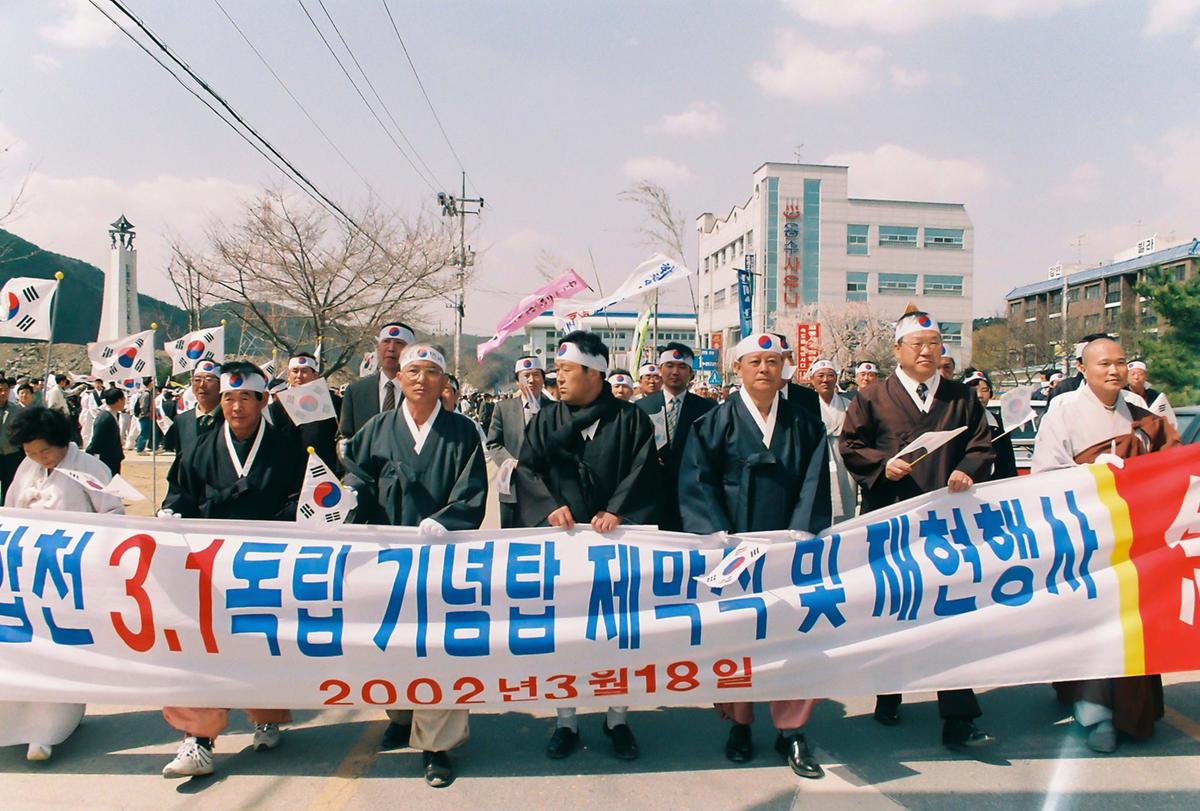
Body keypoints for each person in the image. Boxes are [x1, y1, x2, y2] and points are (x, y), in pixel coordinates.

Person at [839, 310, 997, 750]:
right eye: (918, 344)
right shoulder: (872, 396)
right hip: (893, 521)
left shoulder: (960, 397)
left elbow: (981, 444)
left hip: (948, 523)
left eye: (935, 343)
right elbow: (850, 444)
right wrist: (880, 466)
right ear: (898, 351)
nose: (928, 351)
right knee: (897, 609)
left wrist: (968, 470)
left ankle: (959, 716)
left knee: (951, 613)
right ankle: (890, 689)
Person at [678, 333, 831, 779]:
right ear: (738, 368)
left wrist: (802, 530)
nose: (764, 369)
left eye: (772, 361)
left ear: (784, 367)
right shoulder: (713, 421)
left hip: (788, 547)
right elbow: (697, 479)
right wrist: (717, 534)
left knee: (794, 633)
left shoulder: (805, 423)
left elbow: (813, 479)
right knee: (738, 635)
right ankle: (740, 724)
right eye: (754, 361)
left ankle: (793, 730)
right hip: (734, 548)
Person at [343, 344, 487, 788]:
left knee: (437, 648)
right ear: (399, 378)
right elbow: (356, 477)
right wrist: (346, 502)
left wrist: (443, 522)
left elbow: (472, 492)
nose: (420, 379)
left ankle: (437, 744)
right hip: (386, 558)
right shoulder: (377, 428)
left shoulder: (462, 432)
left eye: (430, 372)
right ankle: (401, 715)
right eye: (412, 371)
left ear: (445, 383)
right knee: (391, 642)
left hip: (441, 559)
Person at [1032, 336, 1179, 753]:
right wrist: (1090, 472)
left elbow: (1171, 462)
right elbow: (1045, 473)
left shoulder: (1141, 412)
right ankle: (1092, 710)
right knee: (1092, 624)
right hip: (1085, 536)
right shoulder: (1063, 411)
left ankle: (1135, 712)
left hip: (1135, 536)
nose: (1113, 371)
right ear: (1083, 367)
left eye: (1119, 363)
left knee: (1133, 621)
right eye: (1103, 364)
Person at [516, 331, 658, 762]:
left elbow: (644, 472)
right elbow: (528, 469)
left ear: (594, 373)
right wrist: (549, 506)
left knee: (620, 635)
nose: (557, 379)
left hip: (615, 547)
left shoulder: (632, 420)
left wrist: (619, 510)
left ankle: (617, 719)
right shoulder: (546, 420)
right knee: (565, 636)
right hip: (564, 549)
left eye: (565, 370)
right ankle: (566, 720)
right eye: (556, 370)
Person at [157, 361, 303, 777]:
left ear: (262, 400)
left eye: (244, 398)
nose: (235, 407)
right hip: (210, 563)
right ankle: (197, 739)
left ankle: (265, 715)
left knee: (260, 641)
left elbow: (303, 498)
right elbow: (180, 492)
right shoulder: (200, 448)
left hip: (266, 563)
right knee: (203, 645)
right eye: (227, 398)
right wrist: (171, 512)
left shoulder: (287, 447)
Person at [0, 406, 122, 761]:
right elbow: (10, 511)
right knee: (23, 651)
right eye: (31, 452)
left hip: (69, 576)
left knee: (60, 653)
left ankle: (48, 730)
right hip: (25, 575)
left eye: (45, 451)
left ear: (62, 443)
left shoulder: (89, 468)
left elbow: (113, 514)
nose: (39, 458)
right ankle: (15, 724)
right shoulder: (28, 467)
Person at [635, 343, 716, 531]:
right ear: (660, 369)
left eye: (682, 367)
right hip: (650, 497)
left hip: (692, 498)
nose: (675, 372)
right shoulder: (642, 407)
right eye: (669, 366)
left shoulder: (707, 409)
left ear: (691, 374)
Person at [486, 356, 554, 529]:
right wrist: (511, 462)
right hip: (513, 487)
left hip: (547, 489)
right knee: (510, 538)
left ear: (543, 378)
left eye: (536, 375)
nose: (531, 380)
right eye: (525, 376)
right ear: (517, 382)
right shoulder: (503, 408)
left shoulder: (555, 409)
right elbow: (493, 443)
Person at [161, 360, 223, 511]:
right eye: (197, 380)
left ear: (222, 385)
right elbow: (179, 466)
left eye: (209, 379)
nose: (202, 385)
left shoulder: (230, 421)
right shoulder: (182, 421)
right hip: (188, 501)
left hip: (220, 502)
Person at [339, 322, 413, 439]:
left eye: (399, 343)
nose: (391, 348)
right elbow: (345, 436)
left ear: (410, 351)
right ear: (378, 348)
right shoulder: (355, 391)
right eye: (386, 341)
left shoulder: (421, 391)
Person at [268, 351, 340, 472]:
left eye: (304, 371)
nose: (299, 376)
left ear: (315, 375)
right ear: (288, 375)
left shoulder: (333, 402)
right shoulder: (278, 407)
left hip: (325, 469)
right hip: (290, 472)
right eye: (295, 371)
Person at [808, 359, 857, 523]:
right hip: (817, 459)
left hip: (844, 459)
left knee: (846, 500)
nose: (825, 379)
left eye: (830, 375)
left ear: (835, 378)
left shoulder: (848, 405)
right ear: (812, 380)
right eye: (820, 375)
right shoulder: (805, 407)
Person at [963, 370, 1018, 479]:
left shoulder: (998, 422)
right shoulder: (954, 421)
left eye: (984, 390)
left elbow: (1007, 462)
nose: (979, 395)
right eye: (974, 390)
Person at [771, 333, 821, 420]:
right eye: (781, 358)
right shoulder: (749, 398)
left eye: (790, 357)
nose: (789, 363)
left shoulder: (809, 397)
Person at [85, 387, 125, 476]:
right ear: (119, 401)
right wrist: (88, 454)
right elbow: (96, 439)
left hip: (112, 459)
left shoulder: (111, 415)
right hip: (106, 460)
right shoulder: (105, 418)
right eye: (123, 399)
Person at [0, 377, 25, 498]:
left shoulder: (16, 410)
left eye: (6, 390)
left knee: (9, 488)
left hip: (10, 455)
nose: (3, 393)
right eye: (0, 390)